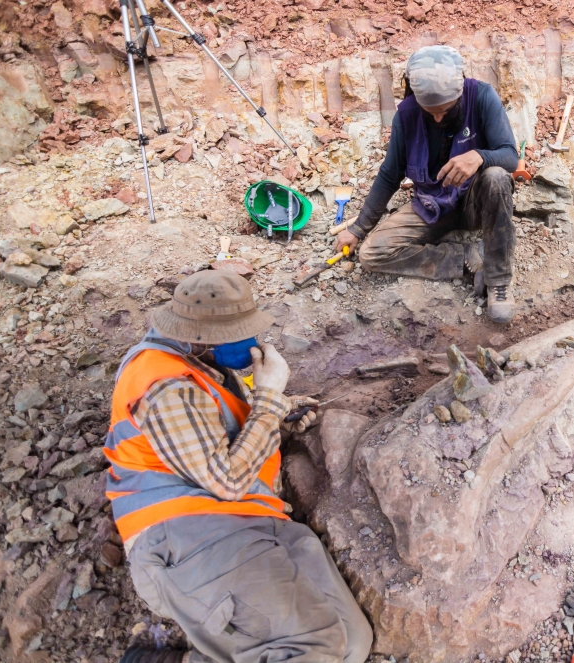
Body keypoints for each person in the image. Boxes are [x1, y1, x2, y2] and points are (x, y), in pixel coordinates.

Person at [104, 270, 373, 663]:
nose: (251, 342)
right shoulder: (166, 387)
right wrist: (268, 399)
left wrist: (276, 417)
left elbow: (213, 437)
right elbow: (227, 481)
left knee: (352, 645)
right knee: (311, 650)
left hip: (251, 520)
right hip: (189, 533)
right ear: (200, 337)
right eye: (237, 333)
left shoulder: (200, 363)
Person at [334, 45, 521, 323]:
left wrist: (479, 156)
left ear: (459, 94)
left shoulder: (482, 97)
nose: (438, 118)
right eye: (429, 112)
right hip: (432, 205)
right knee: (372, 253)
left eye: (445, 110)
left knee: (496, 176)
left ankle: (498, 280)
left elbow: (510, 156)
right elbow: (389, 175)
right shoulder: (407, 115)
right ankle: (467, 256)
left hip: (475, 204)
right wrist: (358, 228)